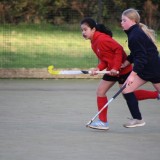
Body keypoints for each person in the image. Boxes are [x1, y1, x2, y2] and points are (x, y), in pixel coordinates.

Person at [80, 17, 160, 130]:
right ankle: (103, 122)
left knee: (128, 94)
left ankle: (156, 95)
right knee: (100, 91)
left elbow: (118, 49)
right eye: (82, 30)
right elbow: (104, 60)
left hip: (122, 70)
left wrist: (117, 67)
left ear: (93, 29)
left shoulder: (103, 39)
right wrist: (97, 68)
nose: (83, 32)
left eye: (85, 29)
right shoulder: (94, 43)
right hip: (112, 70)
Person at [121, 8, 160, 128]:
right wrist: (125, 63)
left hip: (154, 70)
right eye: (121, 20)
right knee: (126, 89)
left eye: (124, 20)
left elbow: (141, 58)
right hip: (146, 69)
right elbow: (136, 53)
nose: (121, 23)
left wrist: (132, 75)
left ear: (133, 21)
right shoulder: (134, 33)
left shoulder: (135, 36)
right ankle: (138, 119)